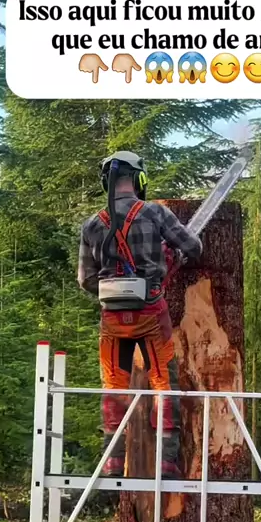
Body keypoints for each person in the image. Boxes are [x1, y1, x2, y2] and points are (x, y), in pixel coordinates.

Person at [78, 150, 203, 478]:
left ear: (106, 182)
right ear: (139, 179)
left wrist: (113, 287)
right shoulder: (154, 213)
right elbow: (193, 247)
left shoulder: (92, 224)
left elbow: (85, 279)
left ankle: (113, 459)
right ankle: (166, 459)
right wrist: (166, 257)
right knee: (163, 381)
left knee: (113, 384)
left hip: (112, 318)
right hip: (151, 312)